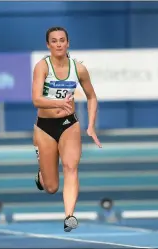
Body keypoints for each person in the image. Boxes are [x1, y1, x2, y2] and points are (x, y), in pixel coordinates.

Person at [32, 26, 102, 232]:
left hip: (69, 123)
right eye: (54, 41)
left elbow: (92, 96)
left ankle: (69, 215)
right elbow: (36, 99)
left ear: (68, 43)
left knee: (71, 168)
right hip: (45, 127)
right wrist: (57, 104)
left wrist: (90, 126)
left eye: (62, 40)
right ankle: (41, 173)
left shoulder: (78, 68)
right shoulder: (42, 67)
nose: (59, 44)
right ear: (48, 45)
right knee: (51, 187)